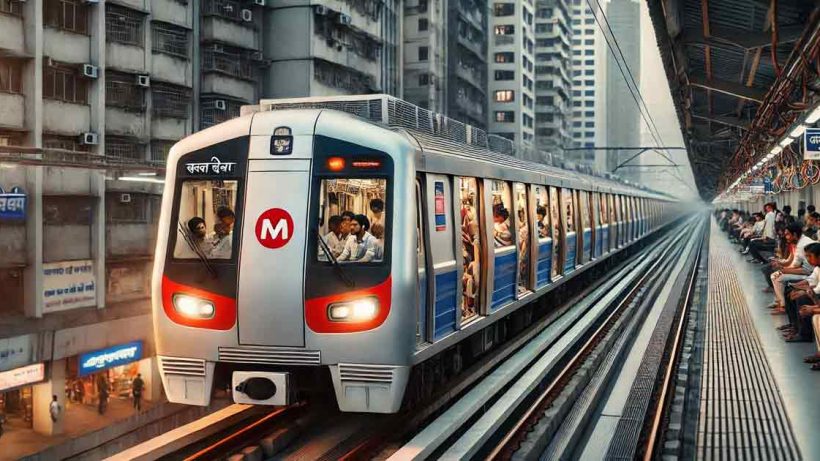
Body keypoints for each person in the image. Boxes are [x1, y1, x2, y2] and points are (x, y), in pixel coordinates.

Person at [769, 223, 814, 314]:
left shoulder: (802, 246)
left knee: (779, 278)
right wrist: (783, 269)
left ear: (795, 234)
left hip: (812, 275)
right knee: (778, 274)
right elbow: (798, 264)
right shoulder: (801, 241)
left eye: (787, 234)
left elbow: (807, 270)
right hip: (809, 272)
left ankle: (783, 305)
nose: (786, 237)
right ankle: (780, 301)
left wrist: (784, 270)